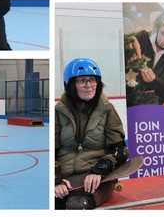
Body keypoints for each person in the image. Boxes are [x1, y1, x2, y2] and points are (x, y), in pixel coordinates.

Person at [55, 58, 128, 210]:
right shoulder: (59, 112)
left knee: (76, 206)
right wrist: (56, 179)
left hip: (95, 179)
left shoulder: (107, 110)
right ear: (70, 85)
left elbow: (120, 150)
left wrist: (100, 170)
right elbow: (51, 151)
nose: (89, 85)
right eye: (82, 80)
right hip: (65, 178)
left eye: (92, 80)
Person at [127, 11, 164, 105]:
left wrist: (154, 78)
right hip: (131, 98)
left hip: (154, 101)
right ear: (159, 25)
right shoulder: (141, 38)